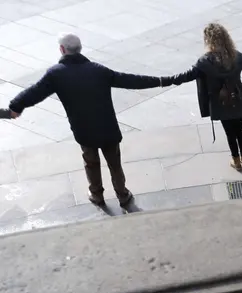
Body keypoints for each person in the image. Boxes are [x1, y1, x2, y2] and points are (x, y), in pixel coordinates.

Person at [8, 33, 165, 207]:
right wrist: (160, 81)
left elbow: (34, 92)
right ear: (80, 48)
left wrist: (15, 106)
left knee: (91, 163)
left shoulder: (56, 74)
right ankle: (122, 195)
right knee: (115, 164)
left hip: (84, 131)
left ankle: (97, 195)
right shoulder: (98, 70)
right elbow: (130, 80)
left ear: (62, 50)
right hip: (108, 129)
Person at [163, 23, 242, 171]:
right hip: (238, 99)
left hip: (220, 103)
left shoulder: (204, 63)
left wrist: (165, 81)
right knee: (240, 130)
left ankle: (236, 161)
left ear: (208, 41)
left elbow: (186, 76)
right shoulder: (236, 57)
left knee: (230, 133)